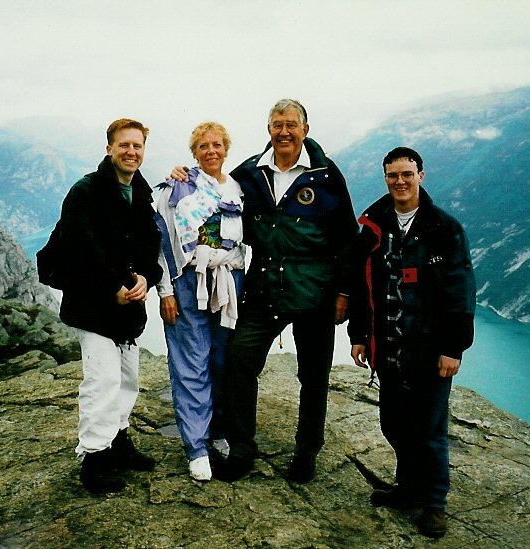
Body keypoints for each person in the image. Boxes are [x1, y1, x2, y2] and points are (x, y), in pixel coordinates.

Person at [174, 99, 358, 483]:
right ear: (268, 129)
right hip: (264, 291)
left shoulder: (325, 175)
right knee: (240, 361)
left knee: (313, 374)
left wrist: (343, 292)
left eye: (292, 124)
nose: (284, 132)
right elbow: (213, 190)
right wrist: (184, 175)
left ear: (305, 129)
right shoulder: (251, 174)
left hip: (314, 293)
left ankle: (307, 450)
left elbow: (346, 238)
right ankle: (242, 448)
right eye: (278, 125)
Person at [348, 147, 476, 538]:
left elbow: (461, 289)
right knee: (395, 423)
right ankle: (409, 488)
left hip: (429, 348)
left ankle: (434, 504)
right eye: (392, 175)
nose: (399, 182)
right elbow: (361, 283)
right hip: (388, 347)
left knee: (430, 430)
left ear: (421, 174)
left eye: (407, 174)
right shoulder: (374, 223)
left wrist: (453, 347)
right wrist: (359, 336)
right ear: (385, 178)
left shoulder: (444, 228)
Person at [50, 118, 163, 493]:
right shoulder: (85, 192)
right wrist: (111, 287)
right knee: (103, 379)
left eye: (138, 146)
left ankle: (117, 439)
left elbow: (150, 246)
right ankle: (94, 458)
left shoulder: (141, 192)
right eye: (124, 145)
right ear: (109, 148)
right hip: (94, 304)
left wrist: (147, 277)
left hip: (127, 304)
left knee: (128, 378)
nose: (131, 152)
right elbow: (80, 248)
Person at [154, 121, 247, 481]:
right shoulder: (178, 187)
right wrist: (165, 291)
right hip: (189, 282)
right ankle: (196, 446)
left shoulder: (237, 188)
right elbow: (161, 239)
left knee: (222, 359)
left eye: (218, 145)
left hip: (228, 281)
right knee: (191, 361)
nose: (211, 151)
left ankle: (217, 431)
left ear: (226, 148)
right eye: (204, 146)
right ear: (194, 152)